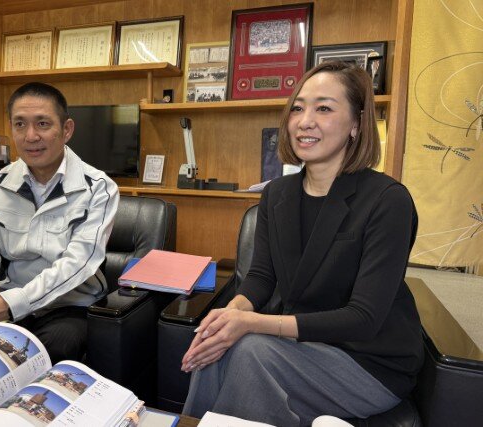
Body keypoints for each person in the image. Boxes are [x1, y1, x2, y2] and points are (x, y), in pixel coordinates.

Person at [181, 61, 424, 426]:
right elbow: (261, 277)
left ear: (356, 124)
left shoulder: (388, 200)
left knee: (251, 350)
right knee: (218, 343)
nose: (304, 121)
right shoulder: (276, 194)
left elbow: (363, 318)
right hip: (299, 346)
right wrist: (231, 315)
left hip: (368, 360)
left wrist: (252, 323)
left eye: (324, 109)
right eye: (297, 108)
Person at [0, 82, 119, 363]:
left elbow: (78, 263)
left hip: (69, 303)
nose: (31, 136)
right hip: (4, 296)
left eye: (42, 124)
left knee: (48, 349)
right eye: (20, 124)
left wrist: (13, 302)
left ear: (66, 130)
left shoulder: (99, 188)